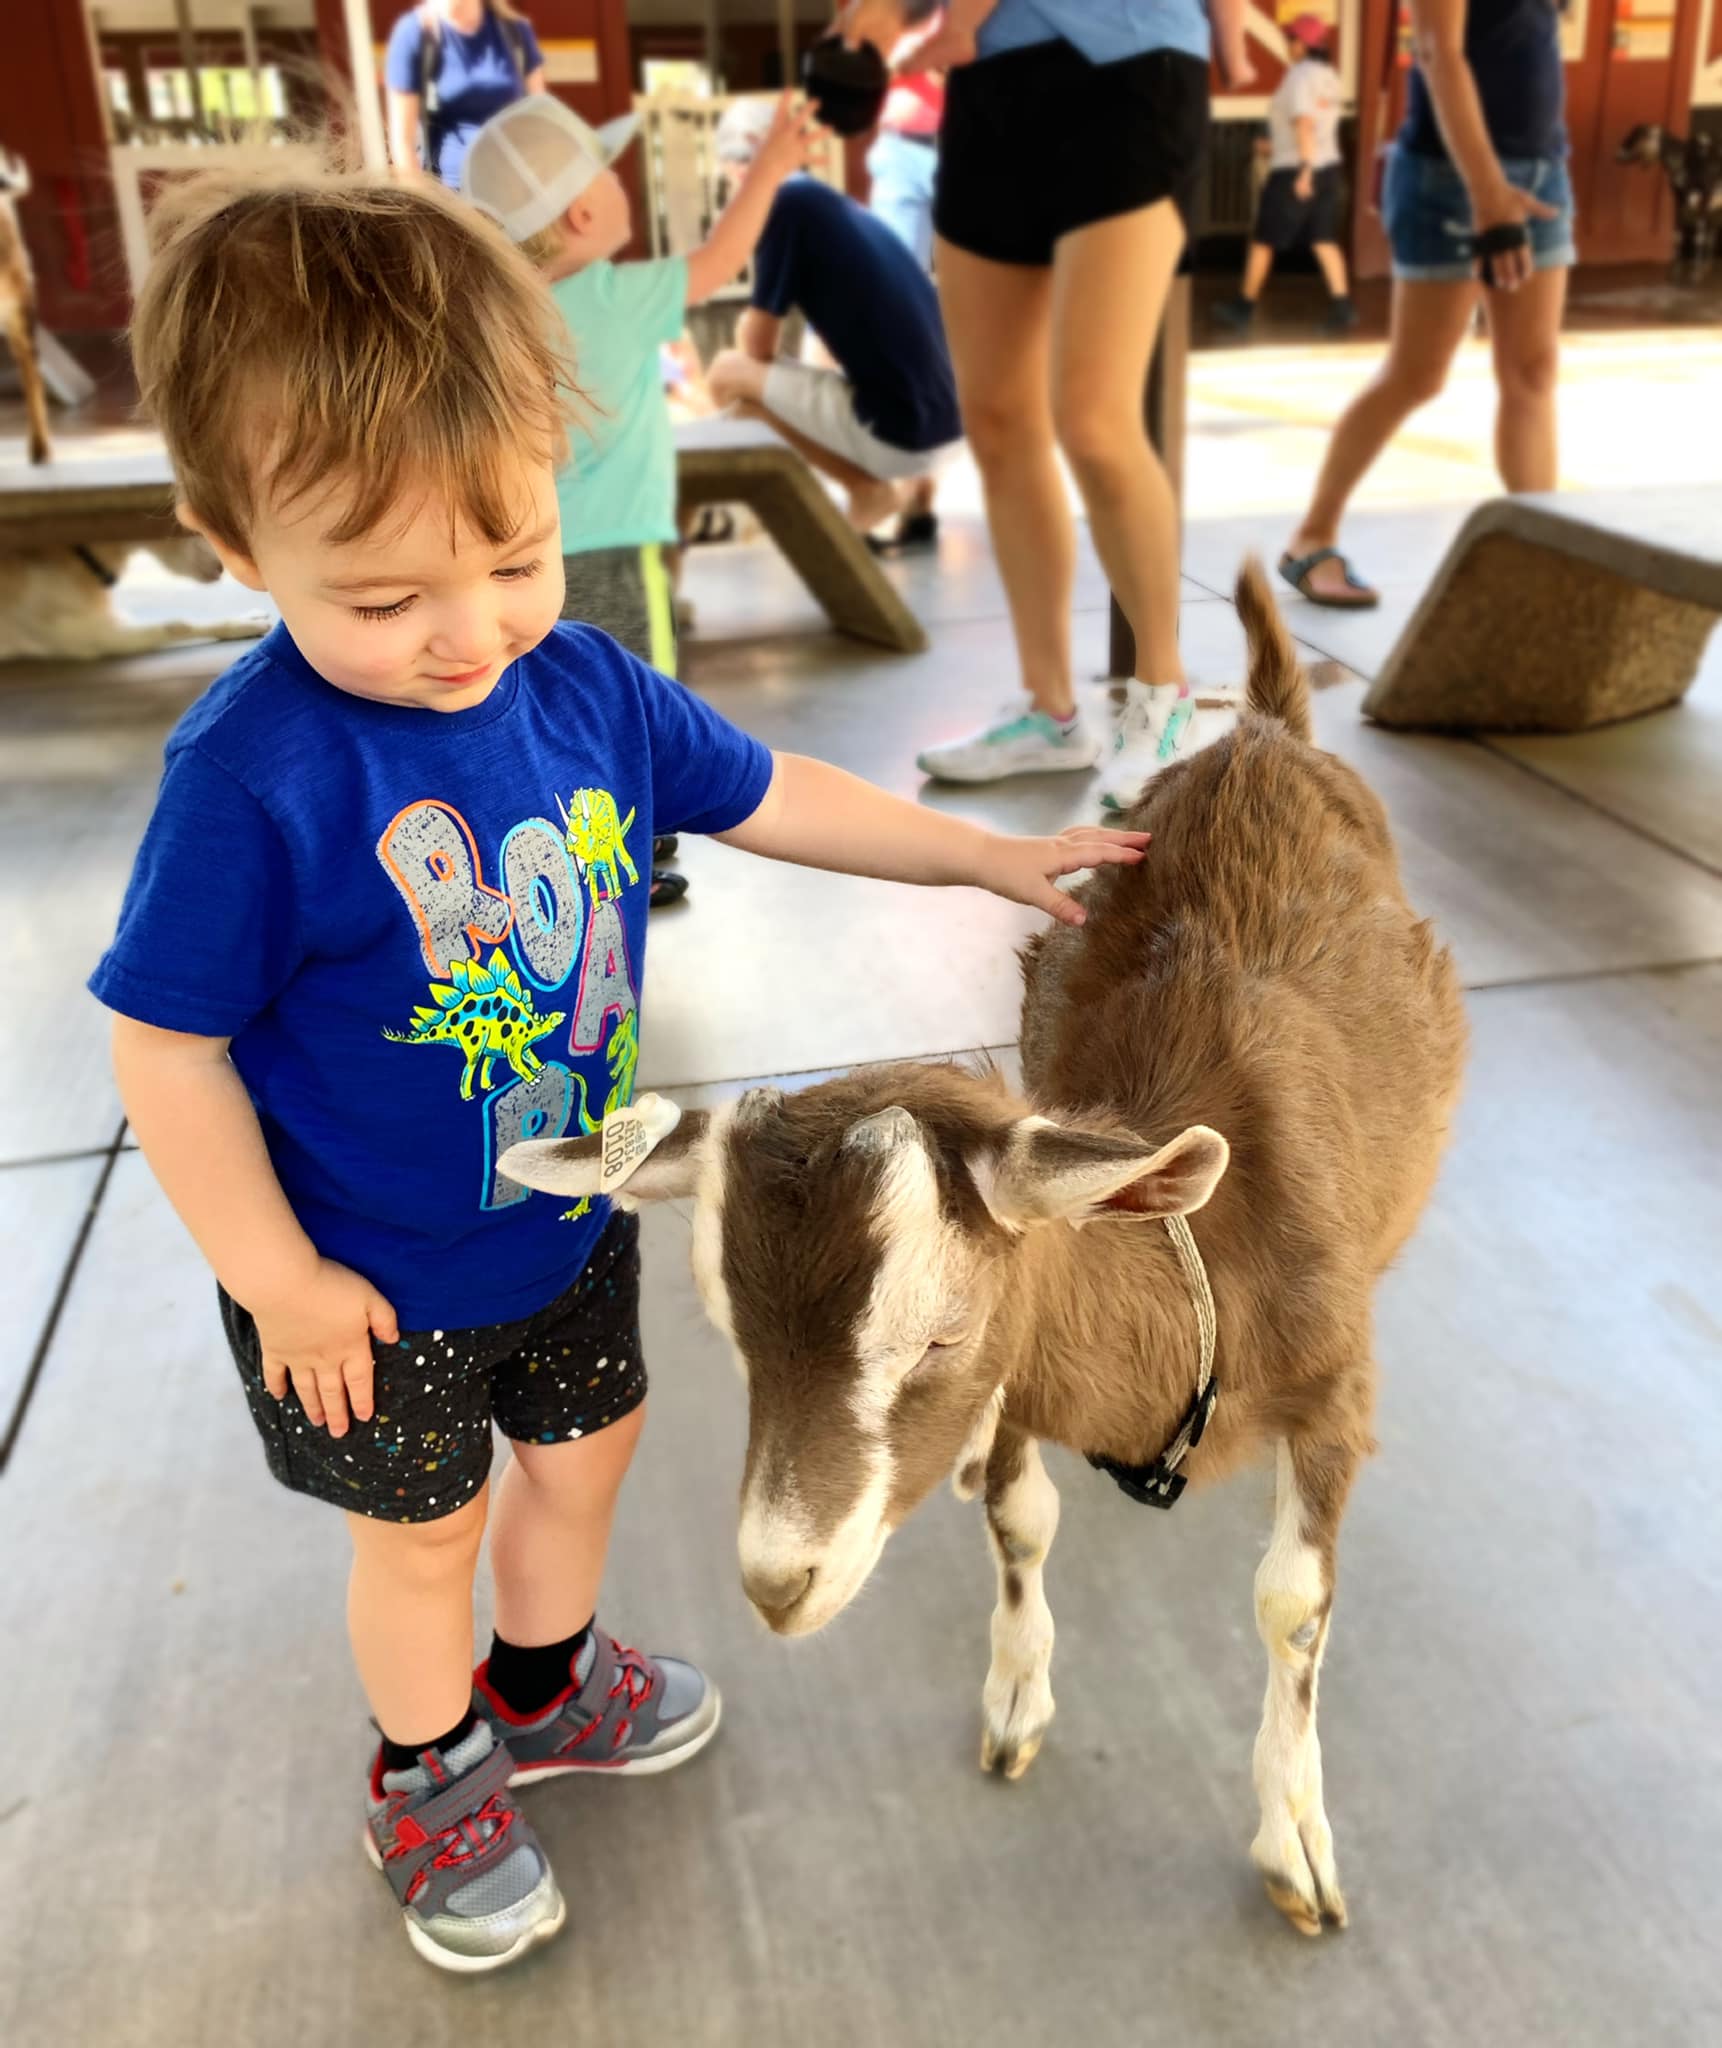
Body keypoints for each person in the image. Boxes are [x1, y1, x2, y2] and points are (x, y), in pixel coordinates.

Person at [91, 169, 1147, 1975]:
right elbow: (162, 1041)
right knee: (424, 1535)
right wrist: (280, 1281)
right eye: (383, 591)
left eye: (509, 552)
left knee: (588, 1461)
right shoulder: (253, 776)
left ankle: (547, 1679)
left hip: (566, 1217)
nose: (466, 627)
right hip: (367, 1288)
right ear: (230, 539)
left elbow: (774, 791)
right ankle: (427, 1770)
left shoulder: (581, 682)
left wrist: (974, 856)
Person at [841, 0, 1250, 802]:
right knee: (996, 420)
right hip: (989, 83)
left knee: (1094, 421)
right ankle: (1049, 712)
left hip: (1127, 64)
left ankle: (1163, 705)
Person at [461, 90, 821, 909]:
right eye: (613, 176)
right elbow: (725, 255)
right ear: (585, 212)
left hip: (520, 553)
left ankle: (542, 835)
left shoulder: (497, 313)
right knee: (627, 695)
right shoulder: (619, 293)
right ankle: (630, 852)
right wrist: (769, 168)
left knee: (539, 694)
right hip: (617, 546)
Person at [1278, 0, 1573, 609]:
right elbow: (1439, 51)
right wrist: (1488, 194)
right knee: (1416, 374)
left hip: (1543, 167)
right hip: (1451, 178)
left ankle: (1543, 556)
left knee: (1534, 371)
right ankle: (1312, 537)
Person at [704, 100, 961, 547]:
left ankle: (867, 490)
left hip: (904, 437)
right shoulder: (827, 202)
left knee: (729, 375)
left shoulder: (783, 206)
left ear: (740, 170)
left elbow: (757, 348)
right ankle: (918, 500)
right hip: (952, 424)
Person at [1213, 15, 1357, 335]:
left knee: (1263, 240)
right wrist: (1274, 145)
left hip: (1295, 169)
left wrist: (1303, 170)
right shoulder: (1329, 77)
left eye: (1290, 39)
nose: (1286, 44)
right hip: (1328, 167)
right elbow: (1315, 127)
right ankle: (1343, 306)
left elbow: (1304, 122)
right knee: (1324, 240)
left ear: (1301, 44)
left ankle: (1243, 307)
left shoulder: (1299, 77)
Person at [385, 0, 546, 191]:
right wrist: (423, 209)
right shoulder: (413, 34)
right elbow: (403, 141)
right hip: (449, 199)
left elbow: (542, 119)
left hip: (511, 193)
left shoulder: (515, 32)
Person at [865, 2, 947, 270]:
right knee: (898, 270)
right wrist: (895, 60)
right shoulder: (883, 9)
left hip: (965, 146)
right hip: (899, 151)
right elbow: (852, 72)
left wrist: (939, 61)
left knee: (982, 272)